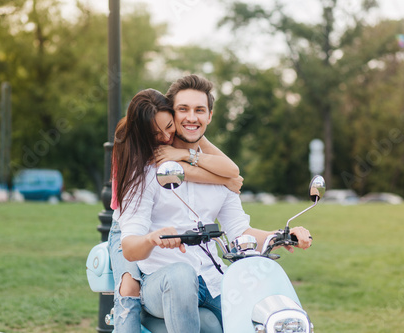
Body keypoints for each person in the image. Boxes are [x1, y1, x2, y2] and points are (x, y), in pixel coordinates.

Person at [117, 75, 313, 332]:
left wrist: (283, 235)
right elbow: (130, 246)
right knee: (181, 275)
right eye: (183, 109)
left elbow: (239, 231)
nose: (191, 117)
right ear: (171, 115)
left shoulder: (221, 176)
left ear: (209, 115)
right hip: (161, 280)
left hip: (213, 278)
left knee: (260, 318)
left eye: (199, 110)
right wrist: (152, 238)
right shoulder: (145, 171)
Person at [108, 88, 244, 332]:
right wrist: (221, 180)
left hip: (174, 246)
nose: (165, 136)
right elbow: (167, 173)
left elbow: (231, 169)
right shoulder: (133, 145)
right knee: (129, 288)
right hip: (123, 225)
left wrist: (220, 176)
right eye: (156, 132)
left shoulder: (189, 135)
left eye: (169, 126)